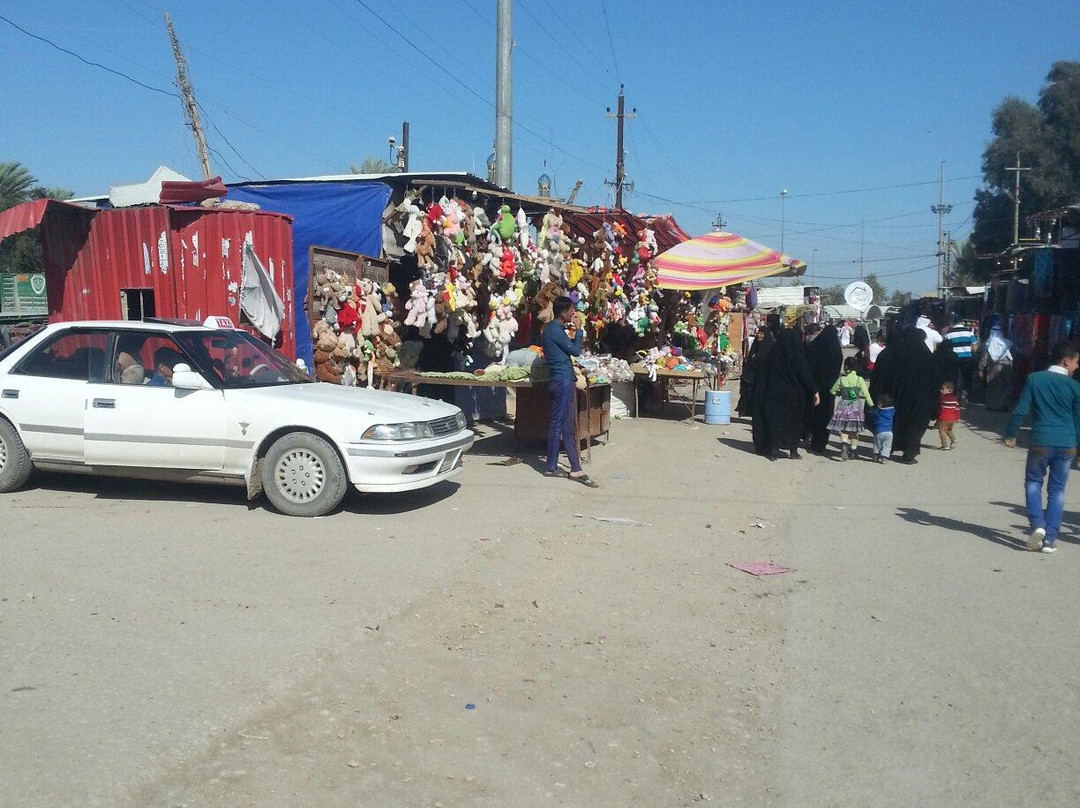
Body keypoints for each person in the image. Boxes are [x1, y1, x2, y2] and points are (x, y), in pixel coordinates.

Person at [1004, 339, 1080, 554]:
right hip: (1067, 444)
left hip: (1041, 441)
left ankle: (1038, 524)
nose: (1077, 366)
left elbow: (1021, 409)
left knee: (1033, 482)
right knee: (1057, 490)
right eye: (1076, 362)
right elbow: (1078, 420)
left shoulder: (1035, 379)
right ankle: (1050, 540)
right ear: (1066, 361)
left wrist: (1011, 434)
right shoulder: (1075, 387)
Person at [541, 297, 598, 487]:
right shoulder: (555, 331)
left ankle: (575, 467)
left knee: (567, 425)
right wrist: (579, 330)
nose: (573, 314)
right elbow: (575, 351)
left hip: (564, 379)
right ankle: (550, 466)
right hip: (562, 380)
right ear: (563, 313)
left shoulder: (555, 330)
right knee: (557, 423)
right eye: (571, 311)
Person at [751, 314, 819, 460]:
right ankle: (793, 451)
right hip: (794, 396)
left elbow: (764, 375)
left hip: (774, 395)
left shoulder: (774, 354)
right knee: (794, 423)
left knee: (775, 421)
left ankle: (774, 450)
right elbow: (805, 373)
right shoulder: (797, 355)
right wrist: (814, 391)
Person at [870, 327, 938, 464]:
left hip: (893, 398)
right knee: (915, 423)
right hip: (918, 401)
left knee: (894, 421)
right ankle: (909, 453)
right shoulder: (927, 357)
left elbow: (878, 375)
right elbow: (934, 383)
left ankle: (888, 448)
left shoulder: (890, 352)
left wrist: (876, 396)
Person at [805, 322, 843, 454]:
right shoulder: (836, 349)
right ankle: (820, 445)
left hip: (815, 388)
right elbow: (837, 368)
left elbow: (808, 365)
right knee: (826, 417)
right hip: (829, 389)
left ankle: (809, 437)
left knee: (813, 413)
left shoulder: (815, 346)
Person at [829, 356, 874, 460]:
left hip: (844, 404)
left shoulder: (842, 379)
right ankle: (853, 451)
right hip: (855, 406)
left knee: (844, 429)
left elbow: (832, 391)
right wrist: (871, 405)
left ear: (845, 366)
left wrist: (840, 392)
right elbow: (866, 394)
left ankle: (844, 444)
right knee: (854, 431)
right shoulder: (859, 379)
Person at [737, 327, 774, 418]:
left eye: (761, 334)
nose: (759, 335)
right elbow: (750, 360)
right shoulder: (755, 345)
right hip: (751, 377)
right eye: (758, 333)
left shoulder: (768, 346)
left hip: (762, 377)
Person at [980, 320, 1014, 412]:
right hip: (1007, 367)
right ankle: (1003, 405)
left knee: (993, 386)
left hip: (993, 368)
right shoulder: (1008, 343)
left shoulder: (988, 344)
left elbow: (984, 358)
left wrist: (981, 369)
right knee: (1005, 386)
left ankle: (992, 405)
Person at [945, 317, 978, 401]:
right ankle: (964, 395)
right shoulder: (968, 332)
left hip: (954, 358)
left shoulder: (949, 333)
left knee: (955, 377)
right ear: (962, 322)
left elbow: (946, 346)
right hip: (967, 358)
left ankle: (954, 395)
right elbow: (975, 348)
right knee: (966, 377)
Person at [936, 380, 960, 450]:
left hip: (944, 417)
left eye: (943, 389)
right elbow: (957, 409)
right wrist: (957, 417)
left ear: (949, 390)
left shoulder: (943, 398)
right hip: (952, 418)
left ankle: (944, 445)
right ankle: (953, 439)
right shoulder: (955, 399)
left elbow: (938, 404)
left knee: (942, 430)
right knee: (948, 429)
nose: (941, 390)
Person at [873, 393, 895, 464]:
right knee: (887, 446)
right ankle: (884, 458)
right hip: (889, 432)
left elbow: (872, 414)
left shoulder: (878, 411)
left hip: (879, 431)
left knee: (877, 444)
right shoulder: (892, 411)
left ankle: (875, 456)